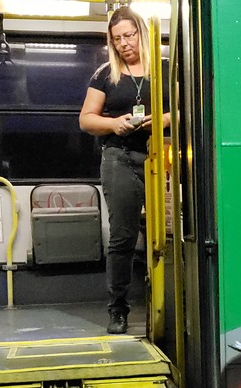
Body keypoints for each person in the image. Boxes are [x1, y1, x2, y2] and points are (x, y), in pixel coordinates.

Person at [79, 6, 170, 334]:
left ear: (142, 34)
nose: (123, 44)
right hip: (120, 157)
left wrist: (163, 120)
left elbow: (187, 109)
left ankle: (169, 302)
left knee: (170, 235)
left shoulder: (165, 69)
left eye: (129, 35)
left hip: (163, 159)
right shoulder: (106, 74)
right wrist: (113, 124)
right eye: (117, 39)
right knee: (123, 237)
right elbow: (86, 118)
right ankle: (118, 309)